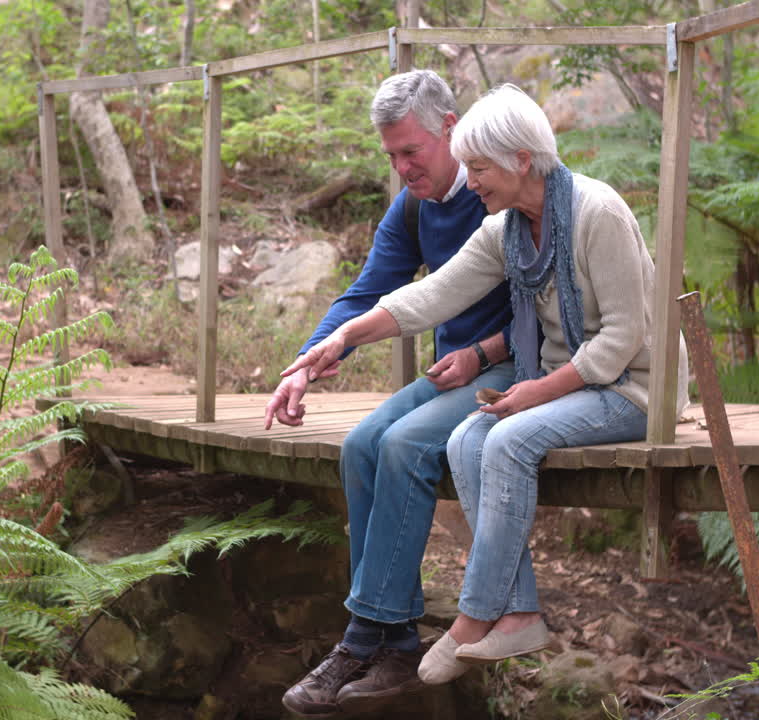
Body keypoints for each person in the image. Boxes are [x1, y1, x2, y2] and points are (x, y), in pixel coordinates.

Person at [282, 83, 690, 687]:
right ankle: (519, 612)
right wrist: (342, 338)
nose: (471, 183)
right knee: (467, 438)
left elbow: (625, 338)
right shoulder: (507, 230)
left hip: (634, 387)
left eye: (479, 168)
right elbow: (431, 294)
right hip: (572, 383)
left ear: (522, 159)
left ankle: (474, 618)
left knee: (505, 438)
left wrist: (536, 390)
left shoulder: (596, 213)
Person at [264, 70, 516, 717]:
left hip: (517, 369)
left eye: (412, 151)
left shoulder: (505, 192)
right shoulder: (412, 205)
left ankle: (358, 640)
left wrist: (484, 352)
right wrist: (303, 364)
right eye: (392, 156)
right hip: (449, 374)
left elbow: (552, 310)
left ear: (451, 131)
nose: (403, 167)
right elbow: (368, 290)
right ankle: (398, 641)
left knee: (404, 444)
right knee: (360, 446)